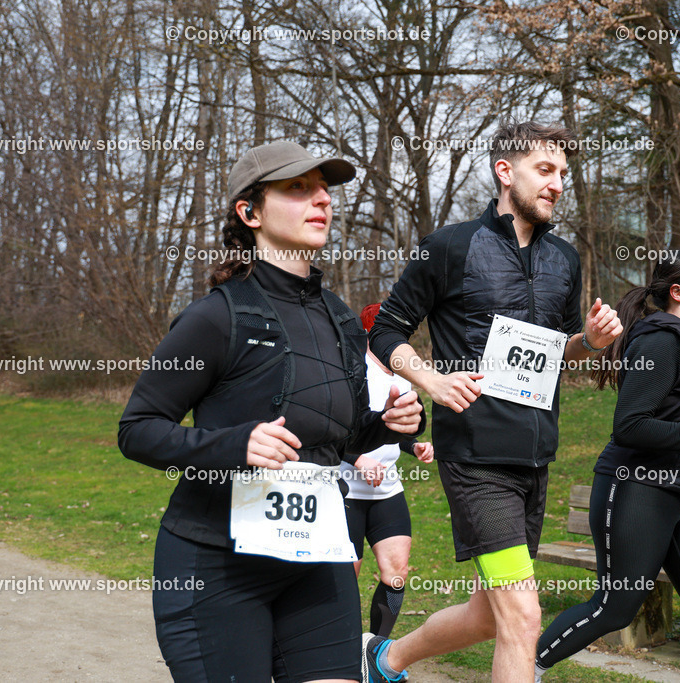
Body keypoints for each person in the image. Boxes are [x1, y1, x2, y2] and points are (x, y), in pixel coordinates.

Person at [117, 141, 424, 683]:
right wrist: (236, 445)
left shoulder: (340, 319)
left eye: (325, 190)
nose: (321, 200)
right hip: (216, 567)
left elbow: (338, 440)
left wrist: (388, 425)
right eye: (298, 188)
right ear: (250, 212)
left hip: (317, 559)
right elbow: (137, 431)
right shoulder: (217, 318)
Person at [363, 121, 623, 683]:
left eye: (563, 175)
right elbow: (386, 332)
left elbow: (563, 349)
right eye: (545, 171)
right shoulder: (449, 247)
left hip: (535, 457)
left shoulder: (564, 259)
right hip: (476, 457)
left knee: (490, 615)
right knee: (525, 618)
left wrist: (592, 343)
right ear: (505, 172)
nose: (557, 185)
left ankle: (385, 657)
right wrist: (431, 381)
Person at [533, 252, 680, 683]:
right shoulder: (659, 342)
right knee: (615, 608)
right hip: (638, 491)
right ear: (678, 292)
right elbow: (631, 427)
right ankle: (525, 669)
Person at [342, 303, 435, 639]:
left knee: (396, 570)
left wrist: (414, 446)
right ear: (372, 335)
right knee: (344, 575)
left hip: (386, 490)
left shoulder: (403, 379)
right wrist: (358, 459)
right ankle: (342, 652)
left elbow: (397, 429)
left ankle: (376, 651)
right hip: (344, 489)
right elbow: (331, 429)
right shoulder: (352, 370)